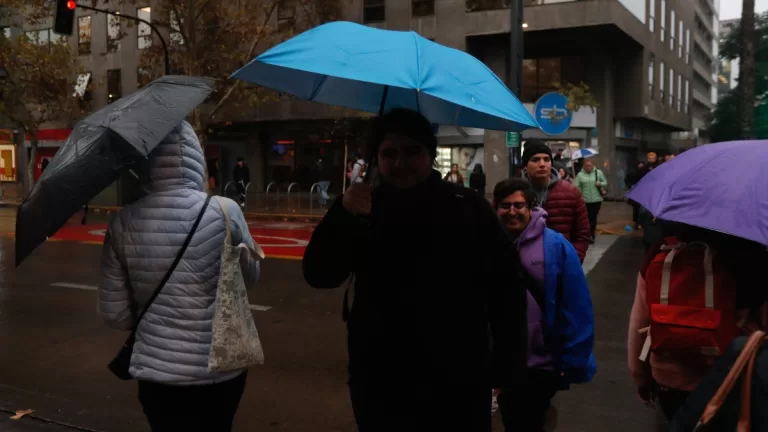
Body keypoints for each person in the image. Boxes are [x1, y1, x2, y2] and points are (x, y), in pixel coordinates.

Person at [302, 108, 527, 432]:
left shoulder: (467, 206)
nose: (400, 162)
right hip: (380, 380)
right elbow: (319, 274)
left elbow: (507, 289)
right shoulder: (363, 208)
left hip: (458, 378)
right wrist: (343, 213)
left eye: (412, 151)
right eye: (389, 153)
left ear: (431, 155)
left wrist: (507, 366)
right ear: (376, 158)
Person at [98, 121, 260, 431]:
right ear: (197, 159)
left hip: (158, 376)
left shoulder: (122, 222)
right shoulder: (225, 211)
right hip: (222, 371)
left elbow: (115, 314)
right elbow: (249, 282)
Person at [492, 179, 596, 432]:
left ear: (531, 207)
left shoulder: (555, 246)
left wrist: (574, 358)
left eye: (519, 205)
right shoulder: (488, 244)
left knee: (527, 418)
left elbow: (576, 304)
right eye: (505, 206)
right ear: (495, 208)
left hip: (541, 359)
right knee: (513, 415)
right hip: (502, 359)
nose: (512, 211)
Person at [521, 140, 591, 262]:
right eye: (535, 160)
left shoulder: (571, 192)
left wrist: (573, 260)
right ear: (525, 165)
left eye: (546, 159)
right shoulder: (513, 192)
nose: (542, 164)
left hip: (560, 263)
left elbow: (582, 233)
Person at [574, 159, 608, 244]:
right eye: (586, 166)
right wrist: (579, 192)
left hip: (596, 200)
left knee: (593, 218)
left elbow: (605, 182)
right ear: (583, 166)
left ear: (593, 165)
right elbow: (575, 186)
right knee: (587, 218)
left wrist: (600, 183)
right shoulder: (580, 175)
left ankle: (591, 235)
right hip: (585, 200)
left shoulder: (598, 172)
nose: (588, 167)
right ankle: (587, 234)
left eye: (590, 166)